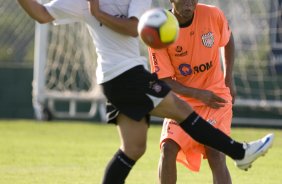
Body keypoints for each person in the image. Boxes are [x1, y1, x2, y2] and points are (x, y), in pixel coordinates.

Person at [17, 0, 274, 184]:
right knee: (183, 112)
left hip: (114, 81)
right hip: (127, 75)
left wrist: (97, 13)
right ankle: (240, 152)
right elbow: (40, 13)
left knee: (133, 148)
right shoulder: (86, 3)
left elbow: (133, 27)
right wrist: (95, 11)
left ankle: (239, 153)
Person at [148, 0, 237, 183]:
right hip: (183, 101)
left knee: (215, 152)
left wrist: (229, 77)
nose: (189, 3)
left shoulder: (212, 15)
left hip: (215, 98)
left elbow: (228, 40)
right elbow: (164, 79)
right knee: (168, 148)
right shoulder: (158, 29)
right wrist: (198, 94)